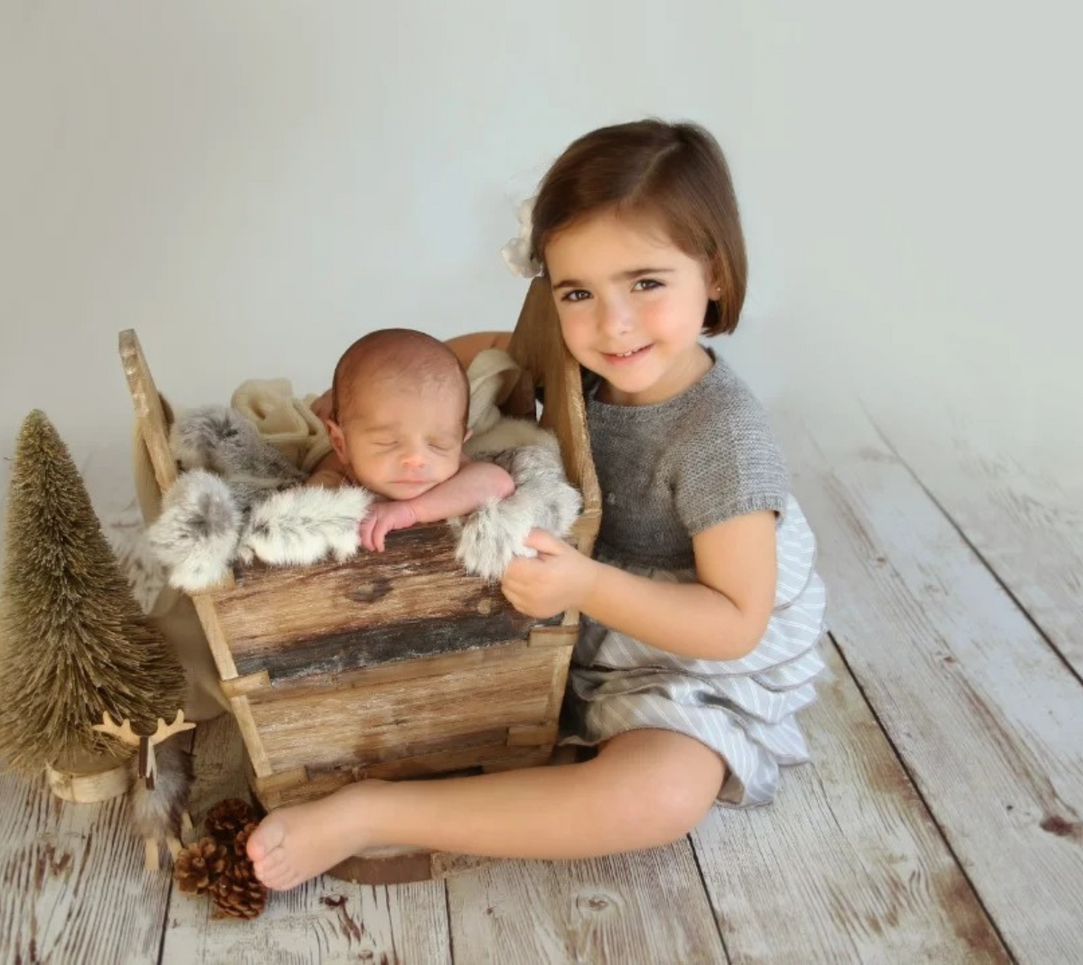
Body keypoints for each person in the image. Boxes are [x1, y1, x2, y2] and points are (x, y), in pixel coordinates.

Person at [247, 119, 827, 889]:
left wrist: (586, 585)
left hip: (689, 643)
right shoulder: (577, 358)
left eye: (646, 283)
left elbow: (733, 621)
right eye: (577, 292)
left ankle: (370, 813)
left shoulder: (722, 439)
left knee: (659, 795)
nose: (612, 324)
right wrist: (370, 406)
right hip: (576, 599)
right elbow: (484, 353)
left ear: (713, 275)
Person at [306, 328, 515, 552]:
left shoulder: (450, 465)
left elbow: (498, 482)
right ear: (341, 444)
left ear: (461, 442)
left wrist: (412, 511)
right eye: (388, 442)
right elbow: (310, 509)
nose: (416, 458)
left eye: (438, 444)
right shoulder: (339, 473)